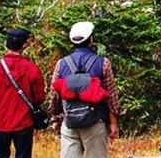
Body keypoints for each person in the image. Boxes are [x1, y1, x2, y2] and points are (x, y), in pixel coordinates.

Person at [50, 21, 121, 158]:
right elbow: (111, 97)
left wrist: (55, 118)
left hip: (69, 120)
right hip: (95, 121)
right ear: (91, 39)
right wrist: (113, 122)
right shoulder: (103, 63)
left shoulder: (61, 64)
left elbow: (55, 95)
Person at [0, 28, 47, 158]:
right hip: (24, 122)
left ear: (6, 43)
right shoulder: (31, 69)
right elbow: (39, 97)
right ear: (24, 45)